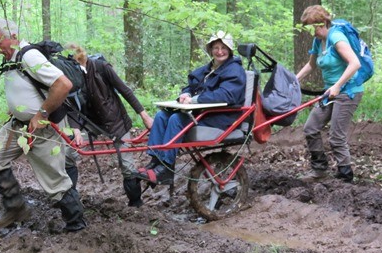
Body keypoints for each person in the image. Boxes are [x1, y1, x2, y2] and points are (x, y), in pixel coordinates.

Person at [0, 19, 87, 235]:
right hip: (17, 126)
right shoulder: (12, 58)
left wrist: (41, 114)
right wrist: (17, 108)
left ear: (13, 37)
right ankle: (16, 209)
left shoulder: (29, 56)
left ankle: (76, 226)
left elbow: (63, 84)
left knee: (55, 183)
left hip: (42, 129)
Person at [135, 31, 247, 185]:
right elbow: (191, 85)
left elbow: (226, 95)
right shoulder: (208, 69)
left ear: (230, 49)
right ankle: (156, 162)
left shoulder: (234, 70)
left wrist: (194, 100)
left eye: (223, 47)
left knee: (176, 119)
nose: (219, 51)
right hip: (203, 114)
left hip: (222, 118)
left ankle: (167, 168)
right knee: (162, 116)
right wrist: (185, 93)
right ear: (210, 49)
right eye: (216, 47)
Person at [67, 44, 154, 207]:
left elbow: (125, 91)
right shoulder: (71, 76)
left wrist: (144, 116)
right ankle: (71, 201)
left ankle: (136, 204)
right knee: (68, 153)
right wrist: (76, 130)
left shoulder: (102, 67)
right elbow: (71, 104)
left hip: (116, 120)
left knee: (127, 167)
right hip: (90, 121)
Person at [295, 5, 363, 183]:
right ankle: (319, 170)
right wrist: (295, 80)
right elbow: (311, 65)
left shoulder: (336, 37)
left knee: (336, 136)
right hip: (330, 92)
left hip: (348, 91)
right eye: (309, 28)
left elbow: (355, 63)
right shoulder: (318, 40)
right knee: (311, 128)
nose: (312, 32)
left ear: (324, 22)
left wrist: (338, 86)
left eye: (314, 27)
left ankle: (345, 175)